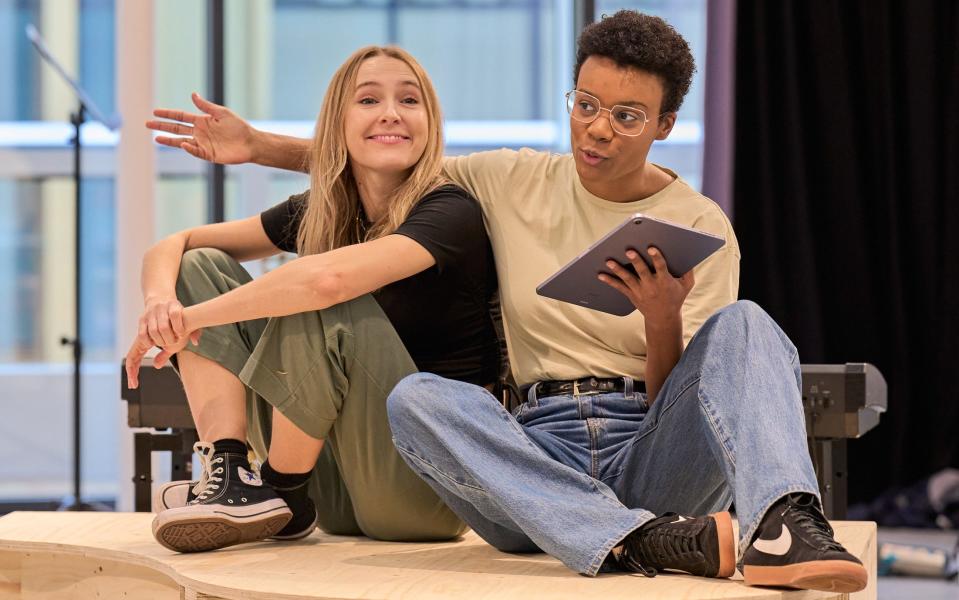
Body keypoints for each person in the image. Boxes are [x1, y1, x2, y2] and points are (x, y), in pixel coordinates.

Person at [147, 11, 868, 593]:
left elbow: (690, 400)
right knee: (419, 399)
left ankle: (782, 521)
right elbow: (390, 150)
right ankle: (641, 541)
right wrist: (257, 145)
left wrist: (659, 321)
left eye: (625, 116)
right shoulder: (511, 180)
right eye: (585, 105)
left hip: (651, 447)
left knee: (746, 324)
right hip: (528, 449)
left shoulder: (699, 225)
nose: (596, 128)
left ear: (663, 126)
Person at [126, 45, 503, 553]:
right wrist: (159, 307)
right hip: (336, 492)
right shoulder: (324, 209)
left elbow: (328, 283)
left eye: (409, 100)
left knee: (322, 294)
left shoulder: (450, 211)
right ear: (338, 122)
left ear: (430, 123)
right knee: (200, 266)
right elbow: (173, 246)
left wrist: (187, 322)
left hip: (426, 492)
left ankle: (277, 487)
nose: (391, 112)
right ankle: (236, 471)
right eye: (369, 100)